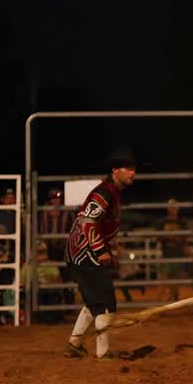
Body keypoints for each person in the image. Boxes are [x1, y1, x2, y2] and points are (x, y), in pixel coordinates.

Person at [63, 147, 136, 359]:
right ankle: (102, 353)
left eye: (134, 169)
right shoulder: (104, 192)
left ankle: (74, 344)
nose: (132, 173)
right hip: (85, 254)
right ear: (115, 170)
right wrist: (101, 250)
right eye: (128, 168)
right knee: (105, 303)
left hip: (84, 253)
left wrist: (106, 251)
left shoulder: (110, 191)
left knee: (95, 300)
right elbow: (87, 222)